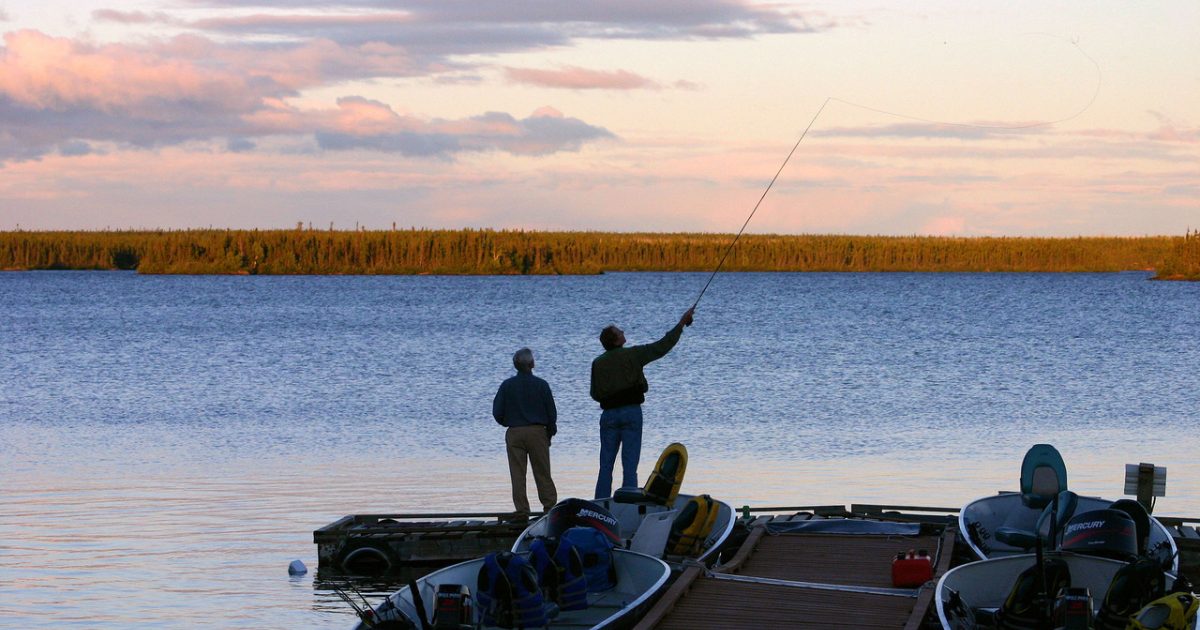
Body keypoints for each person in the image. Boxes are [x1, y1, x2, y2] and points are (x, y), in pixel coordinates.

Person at [590, 307, 695, 499]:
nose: (623, 332)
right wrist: (681, 324)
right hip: (631, 413)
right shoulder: (634, 354)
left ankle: (600, 504)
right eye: (619, 332)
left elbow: (595, 394)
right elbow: (662, 346)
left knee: (605, 466)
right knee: (630, 465)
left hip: (608, 416)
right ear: (616, 340)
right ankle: (627, 504)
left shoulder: (598, 363)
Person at [492, 347, 558, 519]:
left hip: (514, 431)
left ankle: (522, 510)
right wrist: (550, 433)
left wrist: (508, 423)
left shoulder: (507, 386)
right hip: (537, 432)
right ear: (532, 364)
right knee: (543, 472)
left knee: (517, 473)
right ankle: (549, 507)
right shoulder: (542, 385)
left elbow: (497, 412)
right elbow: (552, 413)